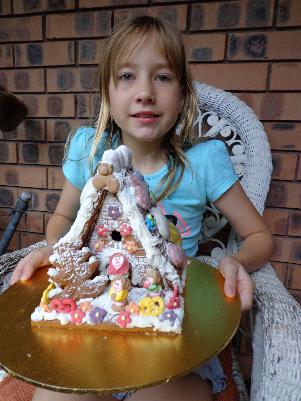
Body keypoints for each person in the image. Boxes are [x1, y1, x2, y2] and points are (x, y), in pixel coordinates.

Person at [10, 15, 274, 401]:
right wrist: (58, 249)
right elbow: (65, 220)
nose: (145, 92)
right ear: (107, 93)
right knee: (55, 396)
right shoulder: (90, 152)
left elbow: (259, 236)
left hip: (168, 330)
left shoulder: (203, 162)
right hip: (95, 322)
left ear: (183, 94)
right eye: (128, 76)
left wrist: (234, 261)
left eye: (163, 77)